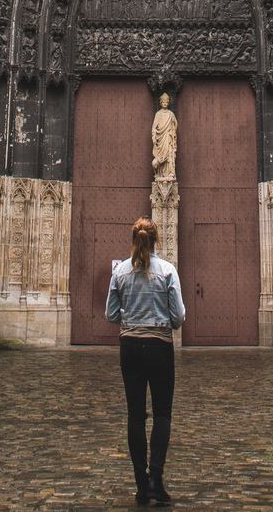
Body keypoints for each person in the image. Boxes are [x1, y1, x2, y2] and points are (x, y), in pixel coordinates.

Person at [106, 216, 186, 506]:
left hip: (130, 347)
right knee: (162, 413)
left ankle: (141, 485)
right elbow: (178, 317)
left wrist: (130, 319)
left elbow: (110, 314)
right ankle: (156, 481)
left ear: (134, 239)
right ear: (156, 241)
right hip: (160, 346)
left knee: (135, 415)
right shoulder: (167, 270)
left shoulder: (120, 272)